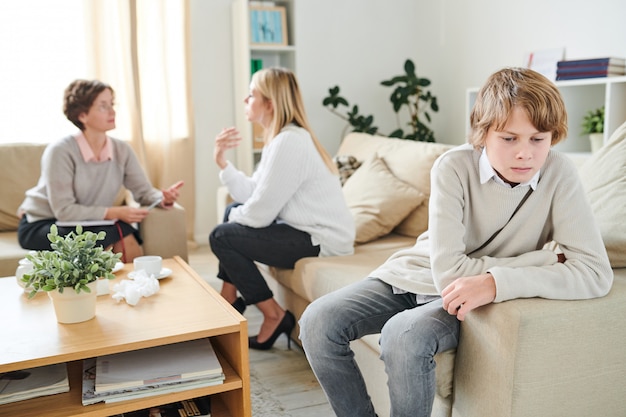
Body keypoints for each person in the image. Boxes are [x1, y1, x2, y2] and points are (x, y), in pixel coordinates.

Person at [299, 67, 614, 417]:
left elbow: (595, 273)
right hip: (417, 272)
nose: (525, 153)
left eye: (538, 139)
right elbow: (449, 274)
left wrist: (496, 284)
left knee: (403, 335)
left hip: (471, 299)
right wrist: (534, 262)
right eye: (509, 139)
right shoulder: (452, 167)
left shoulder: (560, 174)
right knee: (317, 321)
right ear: (483, 134)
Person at [209, 67, 355, 350]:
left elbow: (259, 214)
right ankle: (227, 300)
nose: (245, 100)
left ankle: (270, 314)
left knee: (221, 235)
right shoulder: (282, 138)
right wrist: (221, 161)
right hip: (301, 230)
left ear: (270, 104)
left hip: (320, 239)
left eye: (251, 94)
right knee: (232, 215)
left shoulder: (290, 142)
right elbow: (253, 194)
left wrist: (235, 215)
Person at [18, 79, 184, 262]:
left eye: (112, 104)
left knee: (123, 233)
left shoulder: (122, 150)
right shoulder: (60, 151)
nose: (112, 111)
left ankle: (136, 287)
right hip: (44, 223)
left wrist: (162, 198)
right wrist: (114, 213)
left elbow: (144, 192)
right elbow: (64, 211)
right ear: (82, 115)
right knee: (117, 231)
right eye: (103, 106)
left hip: (91, 222)